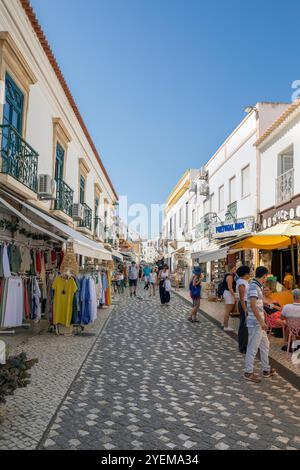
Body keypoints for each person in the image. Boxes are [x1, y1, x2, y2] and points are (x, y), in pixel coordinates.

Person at [244, 266, 276, 383]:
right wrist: (262, 321)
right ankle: (248, 372)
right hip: (256, 323)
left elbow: (259, 302)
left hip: (258, 322)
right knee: (252, 348)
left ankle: (266, 369)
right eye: (265, 277)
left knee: (265, 345)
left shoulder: (257, 286)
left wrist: (271, 305)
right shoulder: (253, 286)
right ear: (264, 276)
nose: (265, 279)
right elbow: (252, 305)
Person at [236, 265, 251, 354]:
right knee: (244, 326)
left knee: (244, 325)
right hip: (244, 304)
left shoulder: (244, 281)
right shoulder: (242, 283)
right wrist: (245, 309)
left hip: (245, 303)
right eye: (249, 272)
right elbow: (242, 298)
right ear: (246, 273)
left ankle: (243, 345)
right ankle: (243, 346)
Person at [223, 263, 237, 332]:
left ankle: (224, 323)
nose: (235, 270)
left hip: (226, 293)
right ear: (232, 269)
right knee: (228, 311)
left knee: (227, 310)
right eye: (235, 268)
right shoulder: (230, 277)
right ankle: (226, 326)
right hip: (228, 293)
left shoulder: (227, 275)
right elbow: (230, 288)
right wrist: (234, 296)